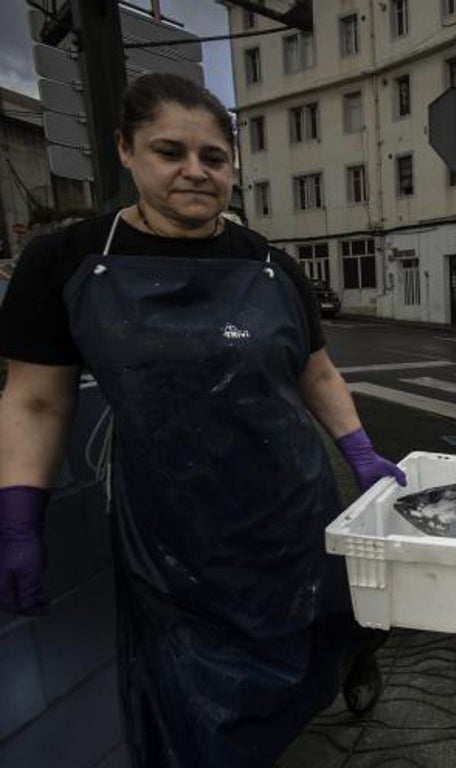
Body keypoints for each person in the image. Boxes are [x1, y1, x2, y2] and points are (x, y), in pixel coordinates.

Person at [0, 73, 406, 766]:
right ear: (126, 152)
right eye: (170, 152)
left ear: (232, 168)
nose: (195, 172)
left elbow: (317, 372)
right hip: (168, 532)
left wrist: (362, 454)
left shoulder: (272, 266)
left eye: (213, 158)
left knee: (312, 635)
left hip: (289, 505)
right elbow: (36, 399)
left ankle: (340, 672)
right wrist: (18, 518)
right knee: (192, 699)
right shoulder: (66, 262)